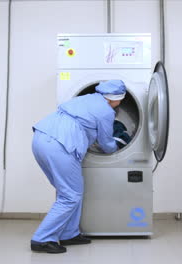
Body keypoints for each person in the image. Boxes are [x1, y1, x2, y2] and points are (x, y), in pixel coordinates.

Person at [30, 80, 126, 253]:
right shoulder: (106, 111)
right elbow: (106, 142)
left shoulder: (86, 98)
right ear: (116, 98)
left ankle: (69, 234)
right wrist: (119, 146)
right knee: (70, 195)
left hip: (41, 138)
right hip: (61, 144)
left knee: (70, 191)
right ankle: (41, 239)